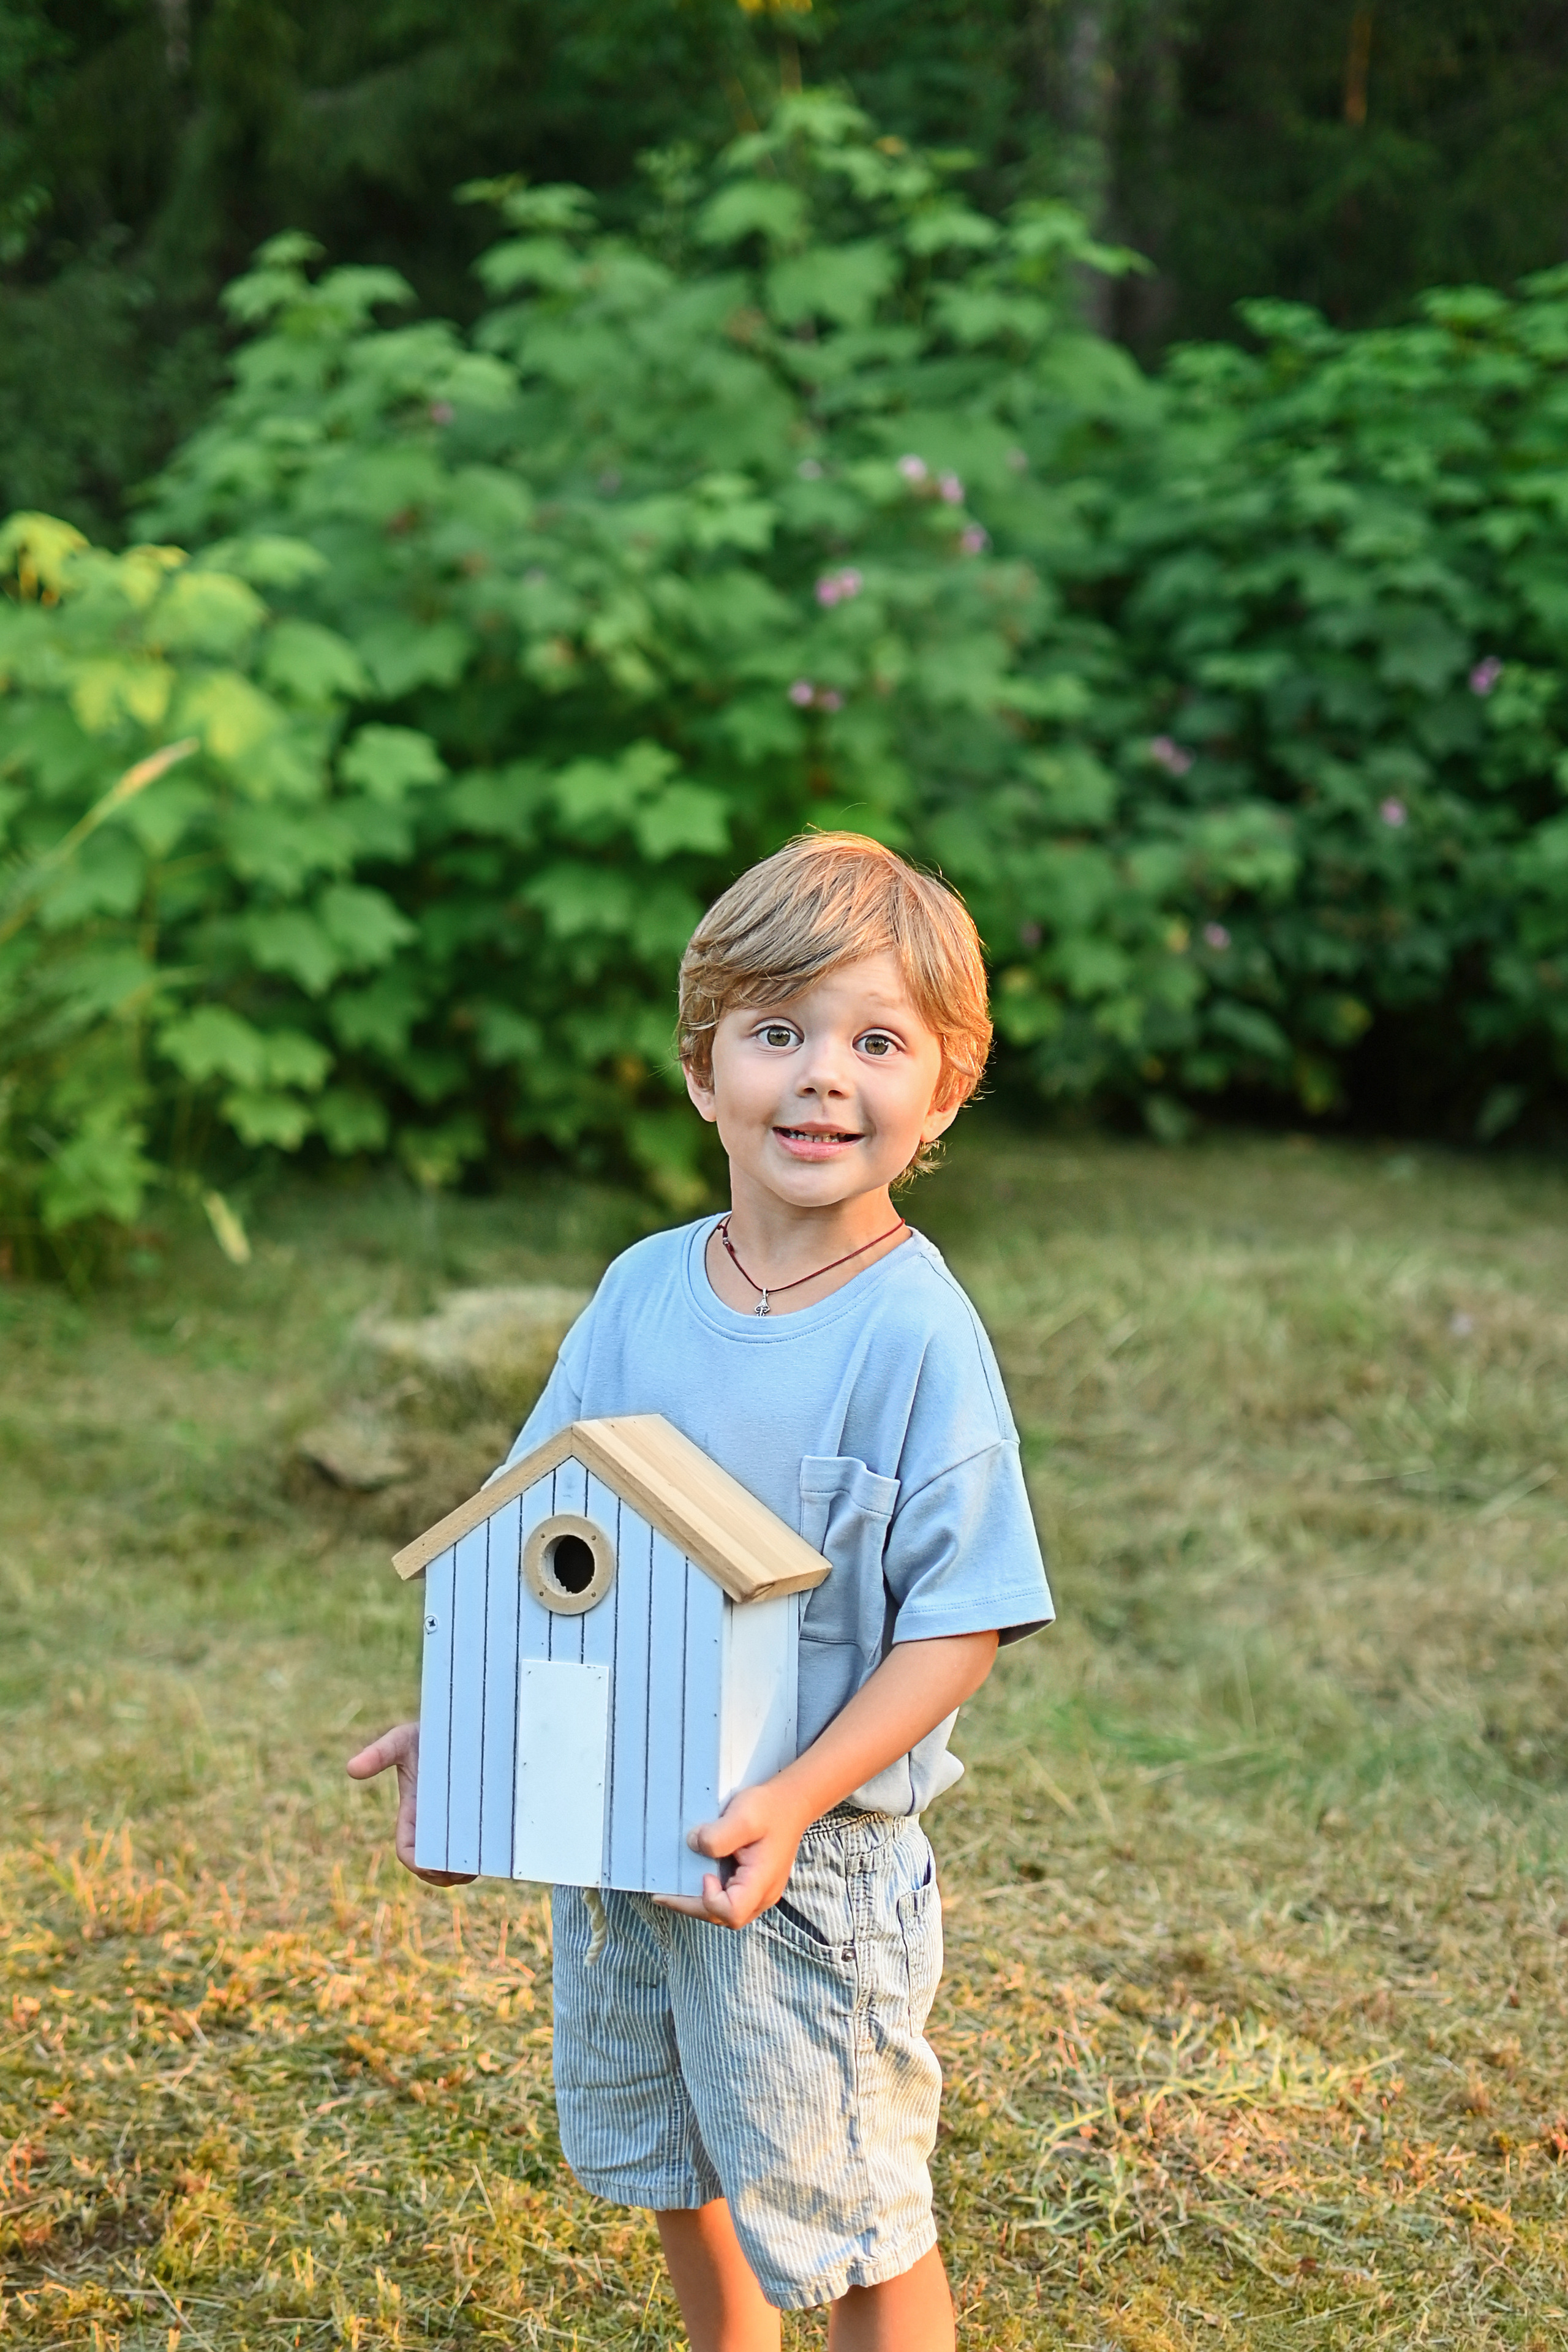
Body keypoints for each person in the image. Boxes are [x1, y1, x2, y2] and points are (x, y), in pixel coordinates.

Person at [349, 832, 1053, 2350]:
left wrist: (793, 1800)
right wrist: (466, 1742)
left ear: (943, 1093)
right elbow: (531, 1543)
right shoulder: (639, 1295)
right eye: (776, 1033)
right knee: (681, 2163)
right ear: (701, 1070)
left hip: (813, 1867)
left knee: (846, 2213)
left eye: (876, 1044)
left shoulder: (914, 1335)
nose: (821, 1078)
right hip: (625, 1840)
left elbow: (961, 1621)